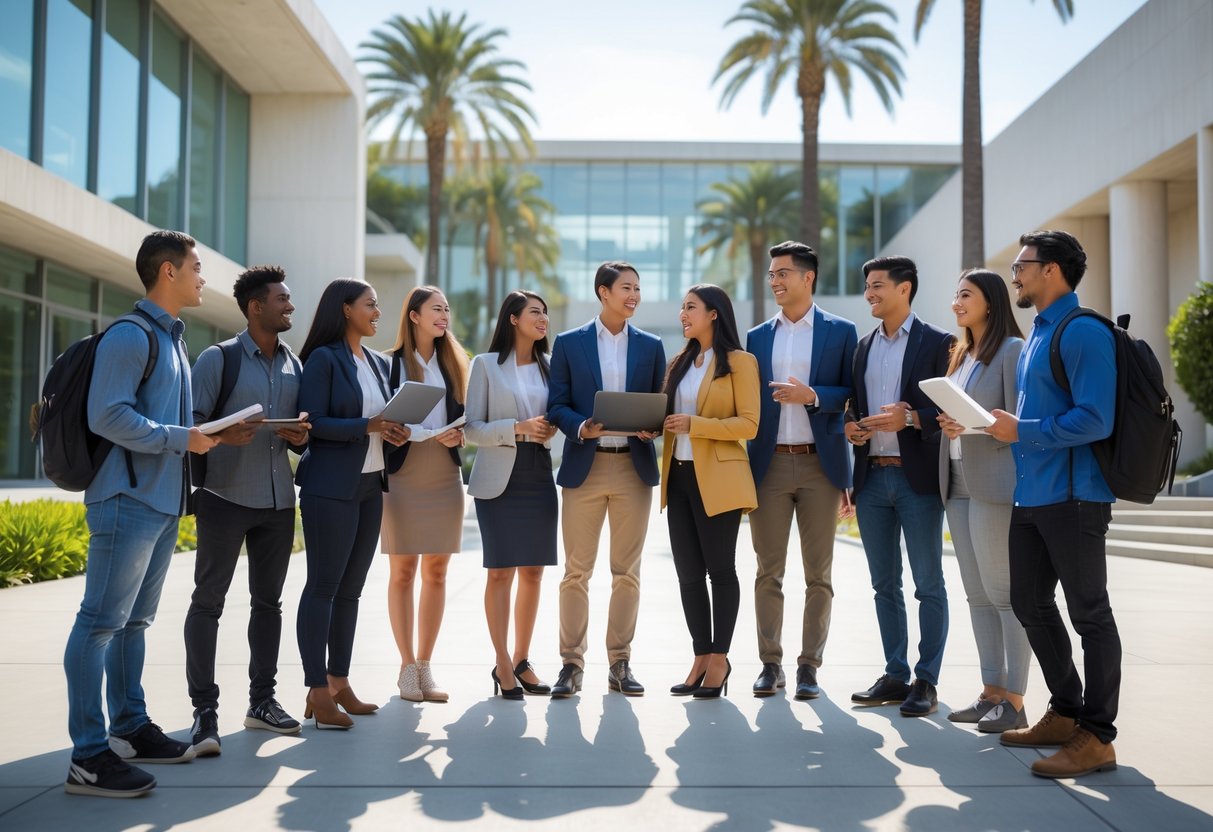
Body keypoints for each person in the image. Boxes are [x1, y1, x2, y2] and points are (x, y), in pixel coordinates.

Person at [64, 230, 218, 798]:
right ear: (168, 272)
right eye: (196, 266)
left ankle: (129, 727)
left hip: (156, 503)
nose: (204, 276)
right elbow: (108, 415)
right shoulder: (131, 336)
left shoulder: (172, 339)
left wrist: (197, 439)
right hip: (125, 500)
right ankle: (88, 754)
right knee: (100, 622)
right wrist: (184, 438)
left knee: (133, 623)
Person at [986, 230, 1120, 778]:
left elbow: (1096, 418)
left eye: (1023, 265)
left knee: (1090, 613)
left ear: (1053, 271)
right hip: (1033, 494)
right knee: (1029, 603)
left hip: (1074, 497)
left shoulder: (1082, 332)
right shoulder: (1037, 334)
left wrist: (1024, 431)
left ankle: (1099, 735)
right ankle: (1066, 711)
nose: (1014, 273)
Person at [184, 266, 312, 756]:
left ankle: (262, 703)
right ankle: (204, 713)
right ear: (256, 306)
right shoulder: (219, 359)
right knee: (208, 603)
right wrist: (221, 436)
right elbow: (191, 429)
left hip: (279, 502)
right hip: (223, 497)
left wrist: (299, 437)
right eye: (282, 299)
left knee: (269, 604)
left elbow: (298, 437)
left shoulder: (294, 366)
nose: (290, 307)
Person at [547, 261, 667, 697]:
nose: (634, 295)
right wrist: (582, 426)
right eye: (626, 288)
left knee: (626, 572)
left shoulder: (652, 346)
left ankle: (620, 662)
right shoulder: (569, 343)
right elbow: (556, 404)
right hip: (586, 466)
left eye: (638, 288)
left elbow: (660, 403)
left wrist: (654, 426)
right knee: (576, 572)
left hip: (633, 469)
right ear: (603, 292)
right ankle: (571, 663)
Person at [745, 241, 858, 700]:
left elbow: (851, 390)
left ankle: (810, 666)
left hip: (820, 465)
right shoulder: (756, 337)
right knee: (767, 571)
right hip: (768, 465)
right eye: (771, 274)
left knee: (819, 574)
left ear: (808, 277)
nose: (774, 281)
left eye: (782, 273)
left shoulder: (841, 330)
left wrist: (812, 397)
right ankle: (770, 665)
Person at [295, 279, 408, 729]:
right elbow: (315, 422)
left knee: (350, 590)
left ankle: (338, 682)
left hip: (368, 486)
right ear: (345, 309)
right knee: (322, 587)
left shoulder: (378, 364)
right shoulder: (323, 360)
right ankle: (316, 690)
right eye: (370, 305)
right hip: (330, 486)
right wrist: (369, 425)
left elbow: (378, 422)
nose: (378, 312)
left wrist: (392, 429)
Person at [844, 255, 954, 718]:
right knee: (883, 584)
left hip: (918, 481)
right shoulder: (863, 346)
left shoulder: (939, 343)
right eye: (867, 286)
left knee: (928, 582)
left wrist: (909, 418)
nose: (869, 293)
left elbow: (953, 409)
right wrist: (852, 427)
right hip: (872, 478)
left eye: (877, 285)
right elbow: (854, 405)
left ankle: (926, 680)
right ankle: (895, 673)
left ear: (904, 288)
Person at [935, 269, 1031, 734]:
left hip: (993, 483)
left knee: (1004, 595)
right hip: (956, 481)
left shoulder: (1012, 352)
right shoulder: (961, 354)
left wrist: (967, 425)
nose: (956, 303)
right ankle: (991, 691)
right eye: (955, 295)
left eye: (965, 295)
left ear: (991, 302)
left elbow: (1017, 425)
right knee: (977, 597)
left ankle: (1015, 700)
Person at [661, 285, 760, 700]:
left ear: (714, 314)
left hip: (718, 478)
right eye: (682, 308)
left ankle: (720, 658)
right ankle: (700, 655)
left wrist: (695, 425)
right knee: (687, 575)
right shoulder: (680, 362)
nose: (683, 314)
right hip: (678, 476)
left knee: (720, 570)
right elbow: (671, 417)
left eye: (691, 308)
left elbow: (748, 425)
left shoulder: (740, 362)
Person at [465, 291, 560, 700]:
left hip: (538, 472)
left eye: (545, 314)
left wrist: (548, 429)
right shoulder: (485, 365)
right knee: (500, 571)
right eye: (535, 313)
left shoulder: (552, 367)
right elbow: (471, 429)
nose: (543, 319)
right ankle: (501, 661)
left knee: (534, 571)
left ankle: (522, 660)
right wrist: (518, 428)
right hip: (498, 477)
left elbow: (559, 416)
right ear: (513, 320)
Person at [381, 285, 469, 703]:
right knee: (403, 571)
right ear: (414, 315)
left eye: (447, 309)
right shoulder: (389, 365)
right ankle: (405, 667)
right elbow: (380, 420)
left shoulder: (455, 365)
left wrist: (461, 434)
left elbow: (472, 417)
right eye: (437, 309)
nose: (445, 315)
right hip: (402, 472)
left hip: (444, 474)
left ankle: (425, 667)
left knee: (436, 572)